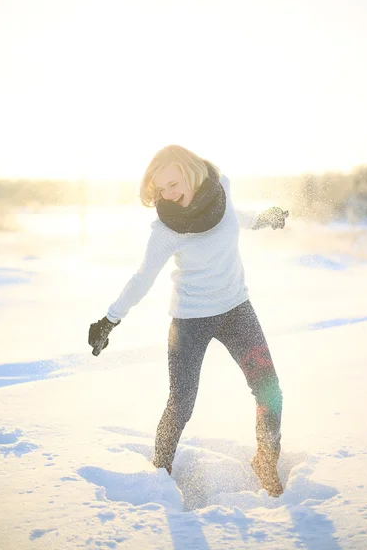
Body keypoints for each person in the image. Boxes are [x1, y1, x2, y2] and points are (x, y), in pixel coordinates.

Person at [88, 145, 288, 497]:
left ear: (189, 171)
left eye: (172, 184)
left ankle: (266, 461)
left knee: (269, 389)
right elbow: (142, 278)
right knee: (181, 402)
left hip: (237, 309)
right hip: (190, 319)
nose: (167, 194)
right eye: (160, 190)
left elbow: (233, 217)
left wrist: (263, 218)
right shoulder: (166, 229)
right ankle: (160, 473)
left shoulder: (221, 188)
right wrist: (110, 320)